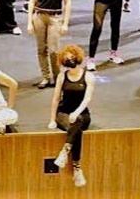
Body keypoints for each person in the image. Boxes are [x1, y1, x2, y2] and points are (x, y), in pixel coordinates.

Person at [48, 44, 94, 189]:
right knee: (75, 130)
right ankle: (77, 168)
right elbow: (56, 99)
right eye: (66, 59)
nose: (69, 60)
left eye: (71, 57)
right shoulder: (62, 76)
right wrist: (52, 119)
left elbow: (87, 99)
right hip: (64, 113)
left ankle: (65, 152)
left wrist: (76, 112)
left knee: (77, 122)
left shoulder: (88, 76)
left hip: (82, 114)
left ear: (77, 57)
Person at [26, 0, 72, 88]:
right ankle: (46, 77)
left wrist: (65, 23)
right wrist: (29, 22)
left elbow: (68, 2)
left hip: (55, 17)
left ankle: (57, 77)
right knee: (41, 49)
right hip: (39, 16)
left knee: (53, 50)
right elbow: (32, 1)